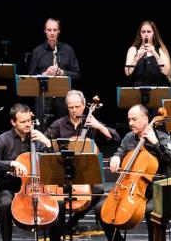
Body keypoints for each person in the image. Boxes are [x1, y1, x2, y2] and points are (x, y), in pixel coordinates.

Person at [95, 104, 171, 241]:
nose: (131, 123)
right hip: (129, 189)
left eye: (134, 119)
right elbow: (120, 151)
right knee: (101, 209)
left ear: (145, 119)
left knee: (151, 211)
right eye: (129, 119)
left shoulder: (161, 137)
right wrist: (116, 157)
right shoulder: (129, 137)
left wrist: (155, 143)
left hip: (156, 191)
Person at [46, 90, 119, 234]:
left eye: (77, 106)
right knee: (57, 194)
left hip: (86, 170)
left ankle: (73, 221)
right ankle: (57, 228)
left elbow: (116, 138)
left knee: (98, 189)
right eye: (71, 107)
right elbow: (45, 144)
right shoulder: (58, 125)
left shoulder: (91, 122)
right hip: (64, 169)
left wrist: (99, 126)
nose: (74, 110)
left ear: (84, 105)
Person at [0, 103, 55, 241]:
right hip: (9, 187)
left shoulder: (37, 138)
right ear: (13, 122)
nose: (28, 124)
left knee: (57, 204)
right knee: (5, 205)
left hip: (37, 187)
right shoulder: (3, 139)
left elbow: (53, 162)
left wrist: (47, 143)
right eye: (23, 122)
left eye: (29, 120)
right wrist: (11, 163)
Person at [28, 18, 81, 126]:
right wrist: (45, 74)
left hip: (63, 97)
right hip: (43, 97)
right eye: (49, 30)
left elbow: (77, 75)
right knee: (42, 127)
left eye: (55, 30)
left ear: (59, 31)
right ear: (45, 31)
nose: (52, 33)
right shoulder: (38, 51)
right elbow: (30, 78)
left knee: (64, 128)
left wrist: (63, 73)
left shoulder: (68, 50)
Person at [123, 20, 171, 87]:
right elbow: (127, 72)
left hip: (157, 91)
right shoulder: (133, 50)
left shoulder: (160, 50)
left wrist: (155, 53)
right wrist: (136, 57)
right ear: (140, 34)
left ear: (154, 34)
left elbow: (166, 71)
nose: (146, 34)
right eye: (143, 32)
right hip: (137, 91)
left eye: (149, 32)